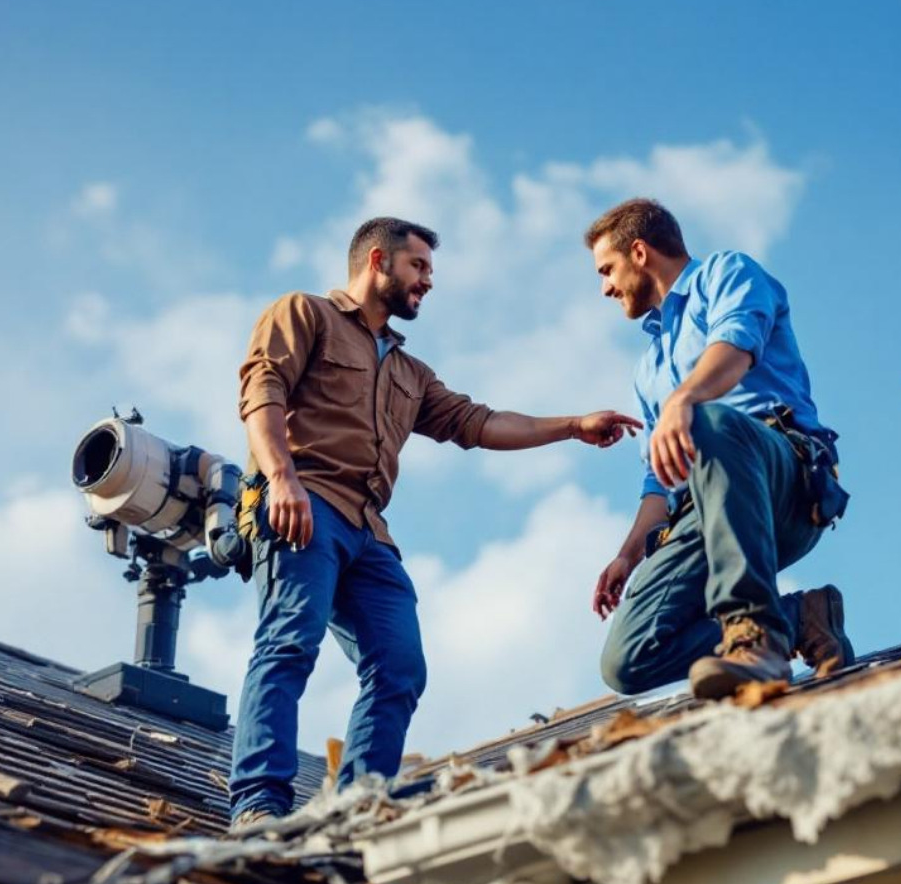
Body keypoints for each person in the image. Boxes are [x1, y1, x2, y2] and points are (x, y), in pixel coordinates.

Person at [229, 216, 640, 827]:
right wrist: (281, 479)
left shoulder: (409, 372)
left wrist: (573, 426)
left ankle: (357, 806)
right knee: (290, 641)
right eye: (418, 267)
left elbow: (480, 423)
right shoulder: (305, 313)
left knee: (400, 666)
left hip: (369, 533)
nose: (427, 282)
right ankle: (257, 803)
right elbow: (261, 393)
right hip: (305, 502)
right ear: (377, 261)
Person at [585, 198, 854, 700]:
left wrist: (684, 399)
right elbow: (659, 480)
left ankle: (758, 638)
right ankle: (800, 619)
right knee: (627, 659)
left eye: (607, 269)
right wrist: (626, 555)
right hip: (701, 510)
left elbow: (736, 350)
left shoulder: (726, 273)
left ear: (639, 252)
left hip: (782, 480)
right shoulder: (648, 370)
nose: (605, 287)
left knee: (708, 421)